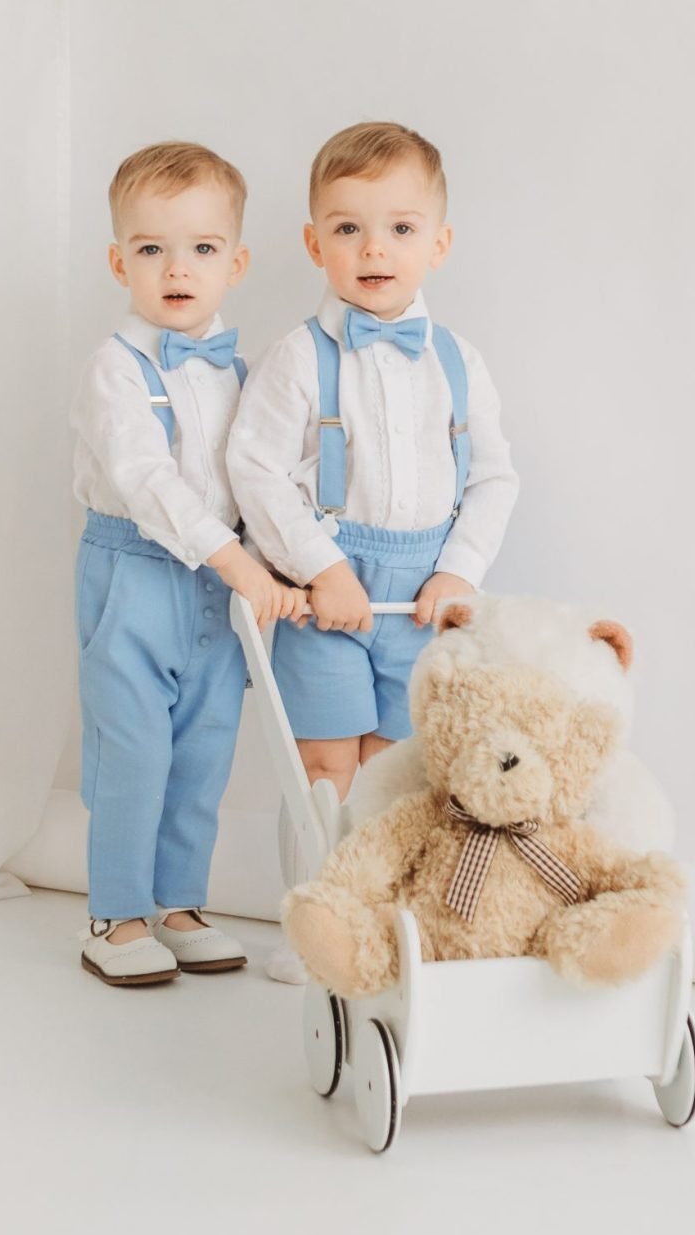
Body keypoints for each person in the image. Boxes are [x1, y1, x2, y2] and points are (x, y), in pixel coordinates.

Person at [227, 121, 518, 981]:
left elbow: (494, 479)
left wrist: (458, 569)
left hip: (421, 598)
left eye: (399, 227)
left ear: (439, 243)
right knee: (326, 763)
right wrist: (322, 565)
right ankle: (317, 927)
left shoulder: (459, 362)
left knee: (397, 772)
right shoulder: (298, 359)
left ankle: (390, 926)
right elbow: (257, 470)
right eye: (348, 228)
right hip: (331, 595)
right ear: (316, 243)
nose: (373, 248)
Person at [71, 141, 305, 986]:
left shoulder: (241, 372)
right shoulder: (115, 368)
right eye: (151, 249)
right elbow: (145, 479)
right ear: (118, 261)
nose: (177, 268)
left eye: (202, 248)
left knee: (204, 743)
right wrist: (236, 563)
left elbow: (260, 475)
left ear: (235, 263)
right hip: (134, 572)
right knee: (132, 745)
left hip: (220, 585)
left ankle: (178, 903)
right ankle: (118, 912)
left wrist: (280, 561)